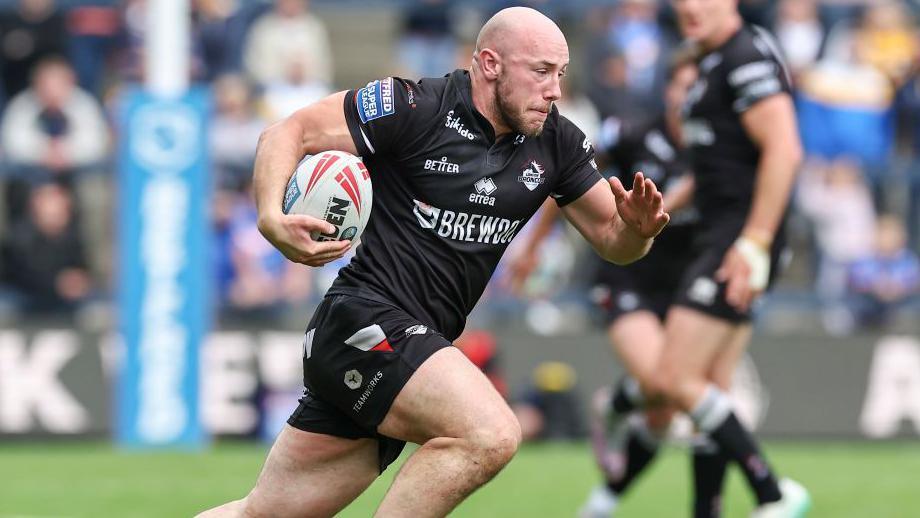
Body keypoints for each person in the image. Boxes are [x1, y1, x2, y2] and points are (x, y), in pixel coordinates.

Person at [196, 7, 670, 518]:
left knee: (261, 514)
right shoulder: (414, 105)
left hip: (405, 348)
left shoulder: (557, 141)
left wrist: (638, 233)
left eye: (560, 73)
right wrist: (270, 217)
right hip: (365, 321)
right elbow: (286, 133)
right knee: (489, 433)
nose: (555, 89)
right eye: (540, 71)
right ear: (490, 63)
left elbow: (611, 238)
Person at [603, 1, 811, 516]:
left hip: (735, 240)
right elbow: (715, 165)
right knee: (710, 388)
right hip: (722, 236)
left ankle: (773, 493)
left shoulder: (745, 56)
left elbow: (784, 150)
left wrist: (754, 242)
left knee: (671, 379)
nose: (689, 7)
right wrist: (661, 208)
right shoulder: (709, 60)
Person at [510, 50, 699, 517]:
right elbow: (565, 175)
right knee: (663, 383)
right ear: (668, 89)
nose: (689, 95)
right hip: (626, 273)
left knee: (663, 410)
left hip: (682, 284)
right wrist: (534, 246)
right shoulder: (632, 134)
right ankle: (771, 495)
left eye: (699, 86)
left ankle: (605, 490)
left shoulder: (720, 151)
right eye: (681, 84)